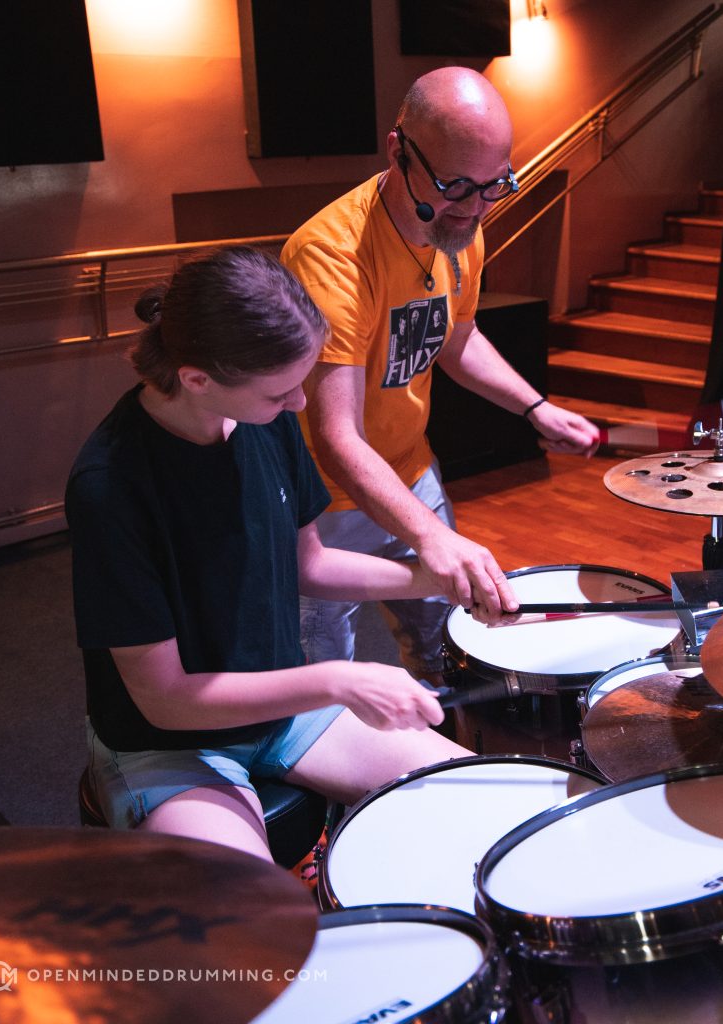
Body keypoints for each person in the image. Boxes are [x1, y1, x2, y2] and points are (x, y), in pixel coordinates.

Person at [65, 246, 481, 863]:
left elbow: (310, 565)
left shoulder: (264, 418)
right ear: (196, 379)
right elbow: (165, 698)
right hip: (168, 742)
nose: (300, 405)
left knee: (482, 801)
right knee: (248, 910)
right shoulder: (110, 486)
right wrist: (338, 679)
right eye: (281, 393)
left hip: (285, 710)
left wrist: (440, 578)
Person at [282, 66, 600, 686]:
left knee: (449, 653)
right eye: (455, 186)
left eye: (493, 185)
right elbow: (337, 438)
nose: (475, 207)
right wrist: (432, 536)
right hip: (325, 501)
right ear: (398, 150)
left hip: (411, 470)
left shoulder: (458, 229)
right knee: (323, 677)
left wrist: (534, 407)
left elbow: (458, 339)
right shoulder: (331, 257)